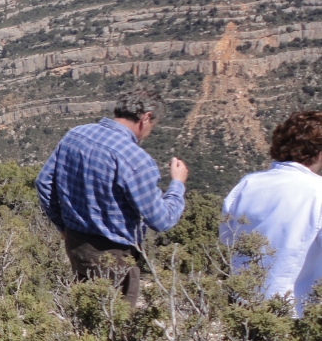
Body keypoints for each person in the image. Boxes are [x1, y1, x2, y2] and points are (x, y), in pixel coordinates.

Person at [35, 87, 188, 306]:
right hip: (114, 255)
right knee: (115, 323)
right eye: (152, 126)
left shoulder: (75, 135)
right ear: (146, 118)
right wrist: (177, 184)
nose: (149, 132)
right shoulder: (135, 159)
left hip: (76, 244)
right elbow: (162, 220)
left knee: (86, 313)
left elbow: (43, 183)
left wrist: (63, 227)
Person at [221, 111, 322, 316]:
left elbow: (226, 239)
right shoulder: (318, 192)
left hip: (243, 306)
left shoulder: (247, 184)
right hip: (296, 313)